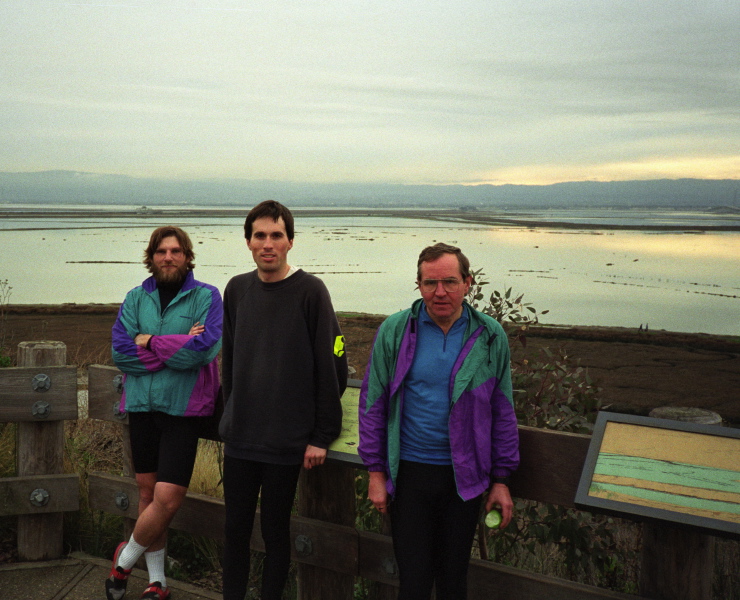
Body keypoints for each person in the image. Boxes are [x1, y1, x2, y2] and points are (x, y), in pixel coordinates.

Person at [358, 242, 519, 600]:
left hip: (464, 478)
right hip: (410, 475)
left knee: (453, 581)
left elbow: (503, 411)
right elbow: (372, 404)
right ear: (418, 284)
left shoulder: (490, 336)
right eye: (430, 283)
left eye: (449, 282)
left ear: (468, 283)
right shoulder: (395, 331)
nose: (440, 292)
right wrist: (375, 472)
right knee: (413, 583)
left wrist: (501, 480)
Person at [219, 200, 348, 600]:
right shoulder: (236, 289)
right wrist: (229, 415)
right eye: (259, 235)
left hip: (286, 442)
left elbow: (334, 366)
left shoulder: (311, 291)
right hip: (241, 438)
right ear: (248, 241)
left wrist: (322, 435)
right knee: (234, 530)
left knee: (276, 532)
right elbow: (229, 361)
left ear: (290, 241)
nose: (268, 244)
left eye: (276, 235)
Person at [105, 226, 223, 600]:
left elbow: (203, 351)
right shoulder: (135, 298)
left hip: (184, 409)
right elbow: (121, 353)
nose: (168, 257)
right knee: (147, 495)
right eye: (161, 251)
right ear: (152, 257)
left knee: (168, 498)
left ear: (187, 257)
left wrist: (151, 341)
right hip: (141, 406)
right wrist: (177, 346)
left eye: (175, 251)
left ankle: (122, 563)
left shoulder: (207, 296)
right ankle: (158, 582)